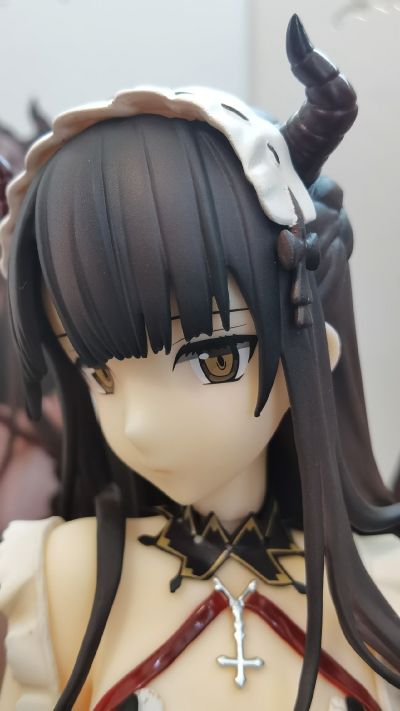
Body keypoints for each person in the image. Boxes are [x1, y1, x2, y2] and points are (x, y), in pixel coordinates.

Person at [0, 15, 399, 711]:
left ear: (314, 353)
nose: (141, 422)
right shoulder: (60, 577)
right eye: (100, 374)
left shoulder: (383, 585)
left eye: (214, 357)